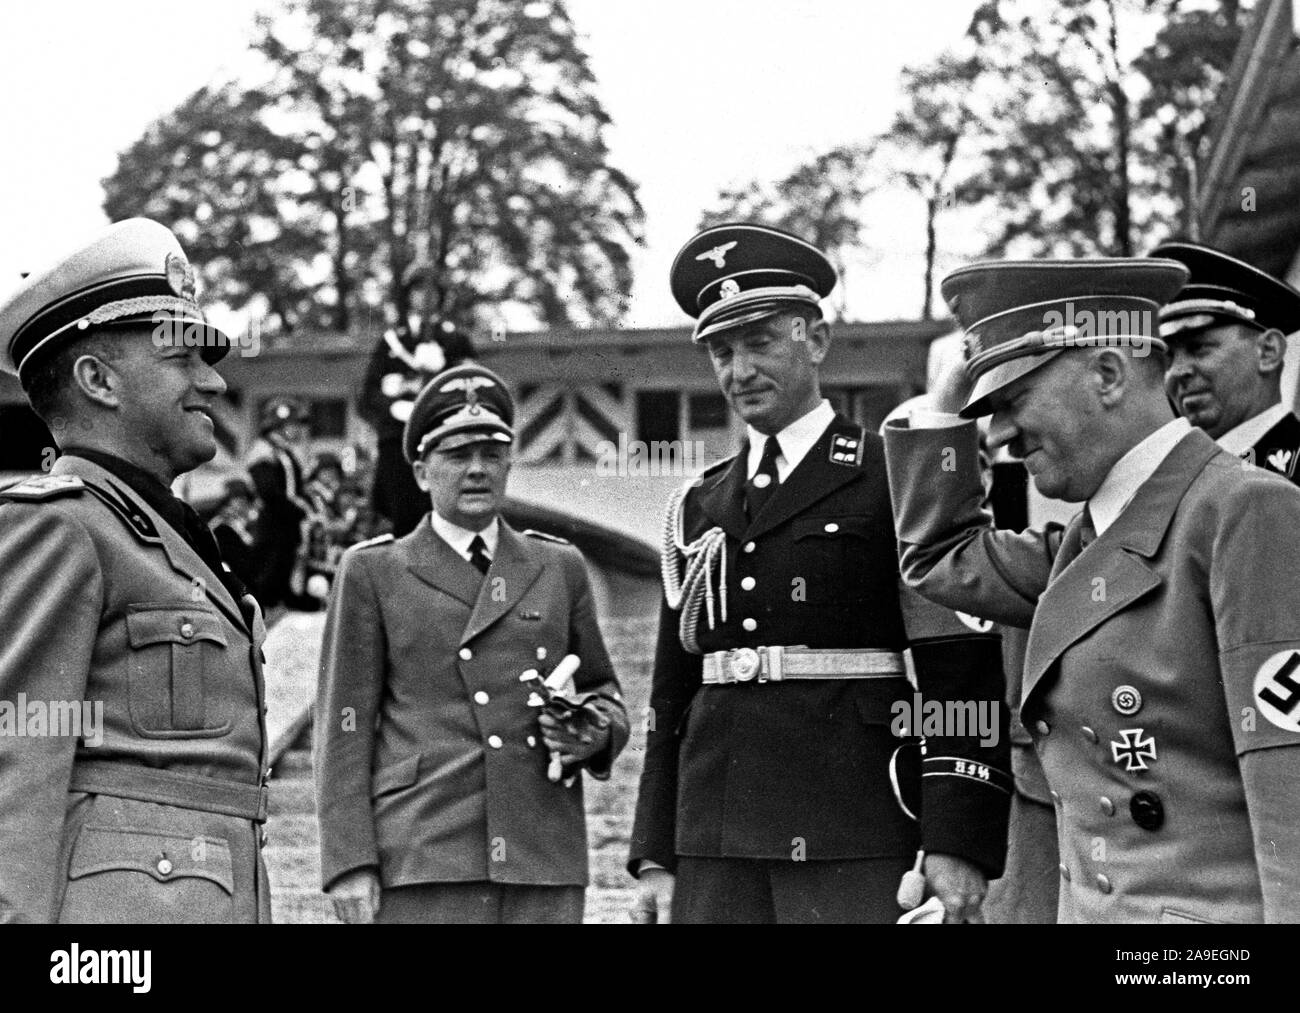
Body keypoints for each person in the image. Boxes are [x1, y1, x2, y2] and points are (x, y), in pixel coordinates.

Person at [884, 257, 1300, 922]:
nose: (1001, 438)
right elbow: (938, 558)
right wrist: (945, 404)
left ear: (1107, 374)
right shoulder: (1081, 544)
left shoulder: (1245, 510)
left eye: (1013, 400)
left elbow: (1290, 791)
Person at [627, 223, 1011, 925]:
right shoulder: (698, 504)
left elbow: (959, 669)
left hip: (853, 821)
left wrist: (958, 837)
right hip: (715, 834)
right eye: (722, 351)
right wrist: (655, 851)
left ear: (816, 340)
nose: (739, 371)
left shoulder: (892, 476)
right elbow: (669, 694)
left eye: (761, 342)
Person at [0, 217, 272, 923]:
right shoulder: (59, 525)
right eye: (182, 359)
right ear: (98, 380)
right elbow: (13, 765)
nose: (213, 382)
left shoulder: (167, 534)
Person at [314, 363, 630, 924]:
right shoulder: (375, 572)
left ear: (511, 461)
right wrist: (349, 863)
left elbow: (604, 691)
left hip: (541, 850)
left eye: (492, 453)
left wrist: (594, 729)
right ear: (420, 470)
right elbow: (345, 729)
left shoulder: (558, 567)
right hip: (425, 849)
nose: (477, 470)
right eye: (457, 455)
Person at [1153, 241, 1300, 482]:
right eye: (1168, 358)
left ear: (1268, 351)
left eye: (1198, 347)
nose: (1176, 373)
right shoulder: (1178, 480)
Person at [358, 320, 476, 537]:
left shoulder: (451, 338)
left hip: (439, 438)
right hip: (397, 439)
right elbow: (369, 395)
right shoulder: (393, 340)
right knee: (400, 511)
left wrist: (444, 367)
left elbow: (470, 381)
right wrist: (392, 405)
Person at [246, 396, 314, 611]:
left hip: (287, 525)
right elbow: (269, 493)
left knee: (284, 570)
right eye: (292, 425)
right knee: (268, 577)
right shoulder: (264, 449)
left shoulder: (285, 451)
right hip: (274, 525)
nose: (297, 430)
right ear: (278, 425)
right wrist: (298, 510)